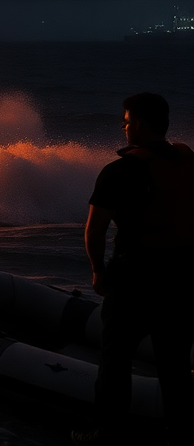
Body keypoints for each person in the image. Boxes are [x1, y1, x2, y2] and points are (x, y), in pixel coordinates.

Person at [76, 92, 194, 444]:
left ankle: (107, 434)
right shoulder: (188, 160)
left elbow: (94, 230)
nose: (124, 128)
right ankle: (182, 431)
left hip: (135, 279)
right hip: (183, 277)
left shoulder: (120, 171)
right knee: (174, 364)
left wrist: (98, 270)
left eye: (126, 123)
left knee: (116, 358)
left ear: (139, 125)